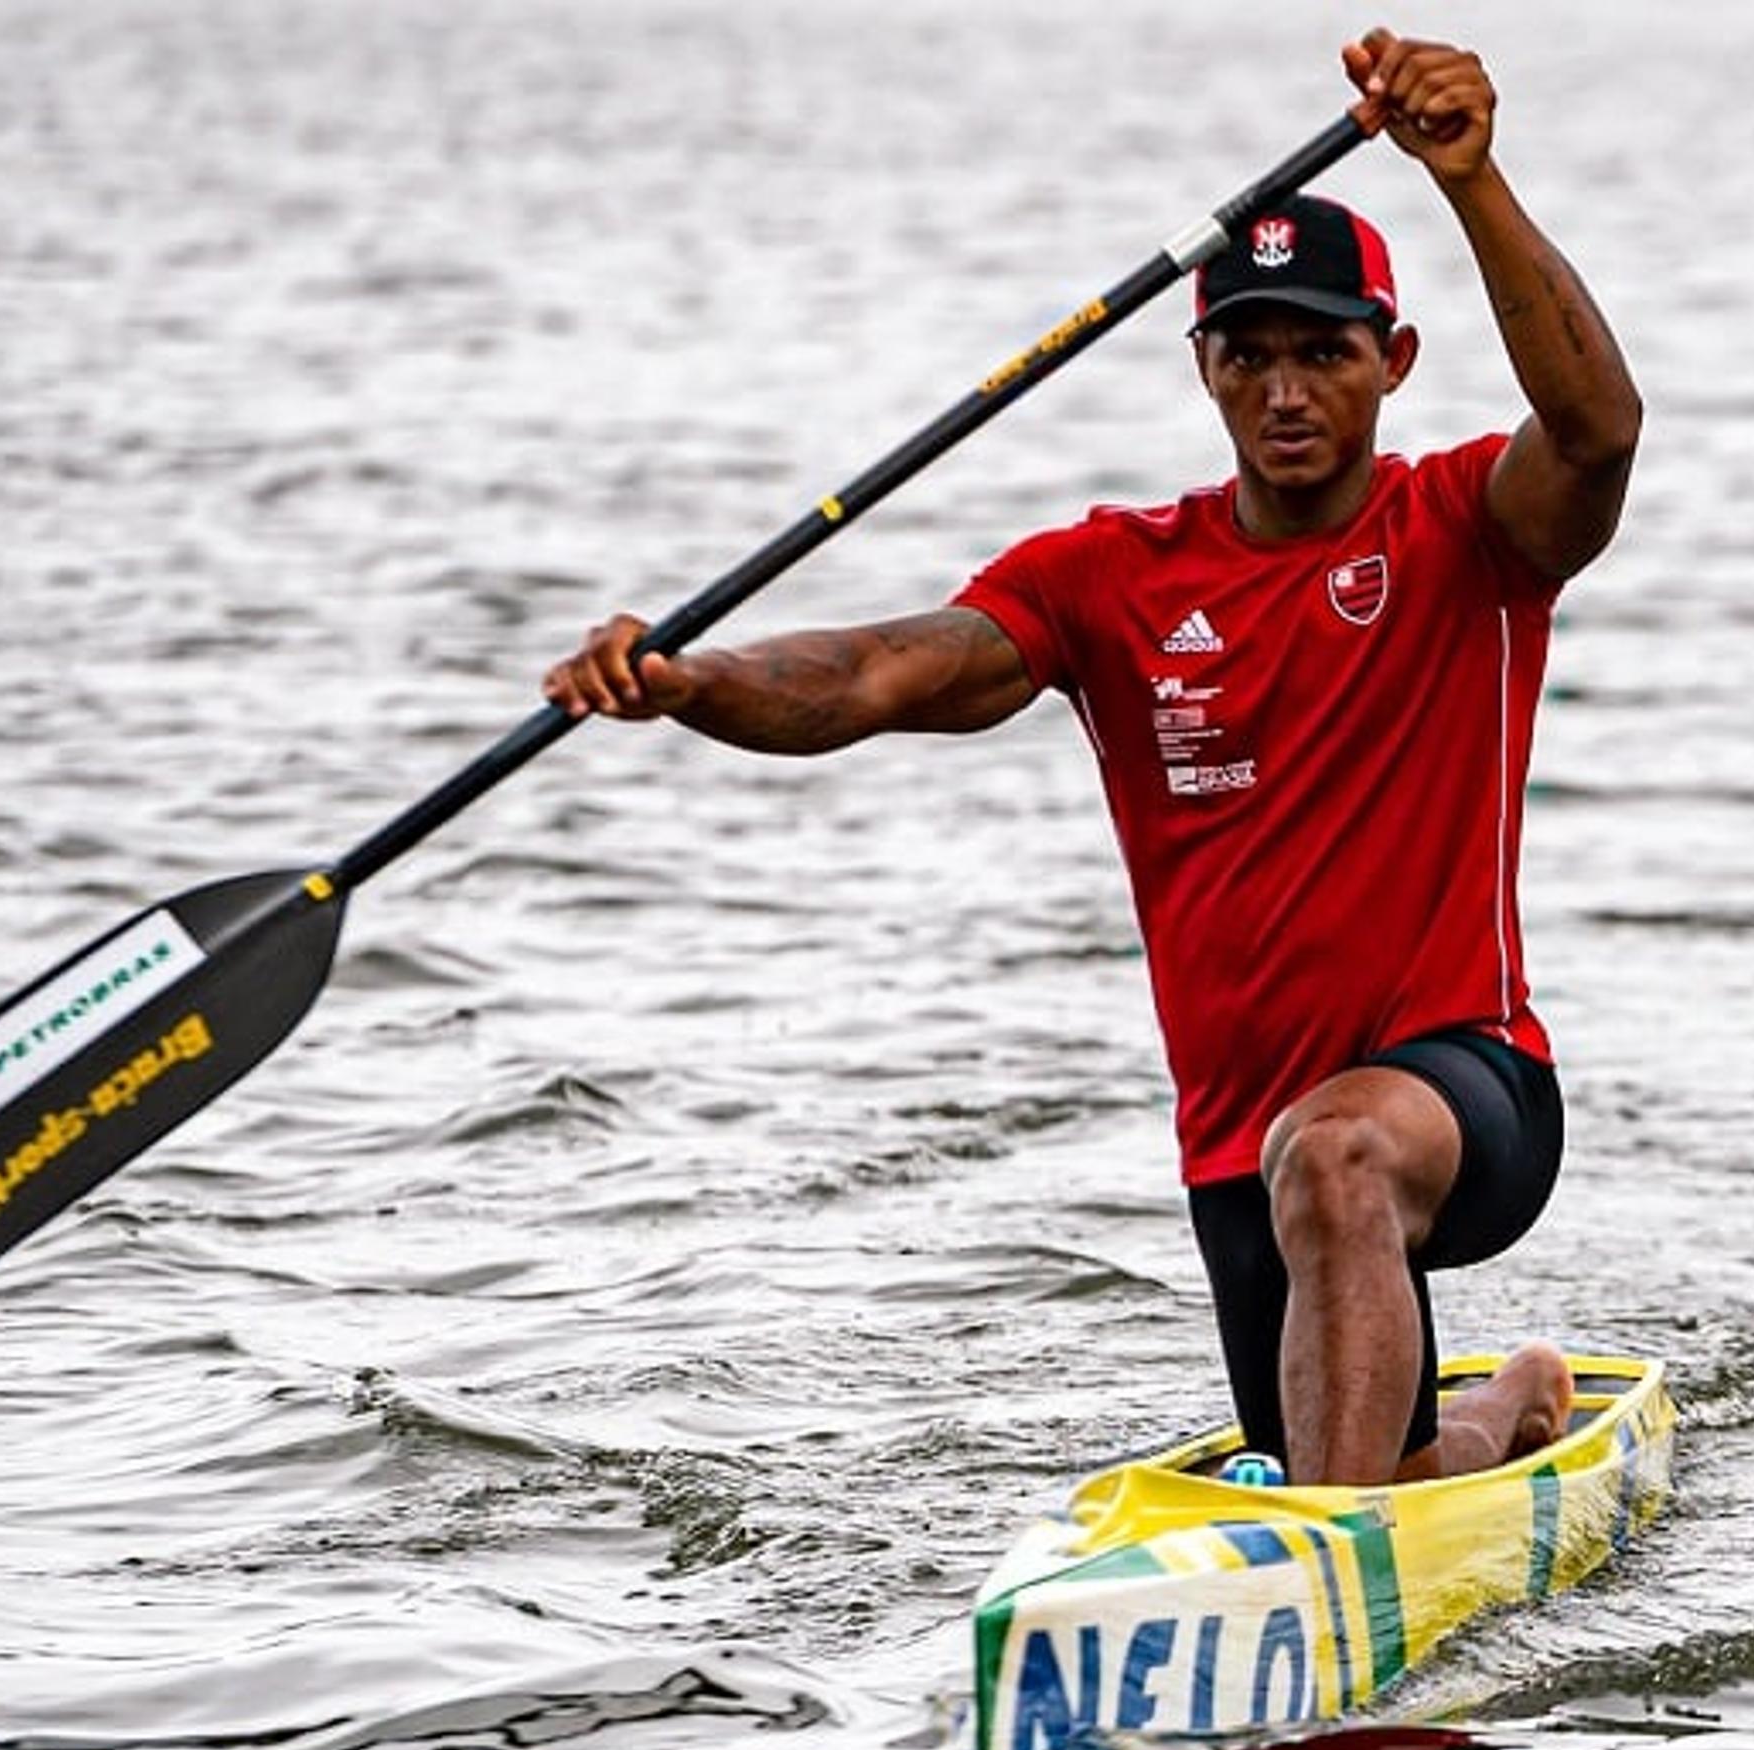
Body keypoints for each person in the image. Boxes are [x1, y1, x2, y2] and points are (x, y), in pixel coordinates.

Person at [539, 28, 1637, 1488]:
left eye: (1325, 351)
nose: (1287, 391)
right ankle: (1511, 1408)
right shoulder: (1111, 579)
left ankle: (1338, 1562)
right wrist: (687, 681)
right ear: (1203, 370)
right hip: (1238, 1153)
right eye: (1249, 356)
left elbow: (1600, 427)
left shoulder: (1463, 534)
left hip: (1466, 1087)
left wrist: (1474, 183)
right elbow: (872, 672)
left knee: (1341, 1163)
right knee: (1378, 1450)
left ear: (1395, 362)